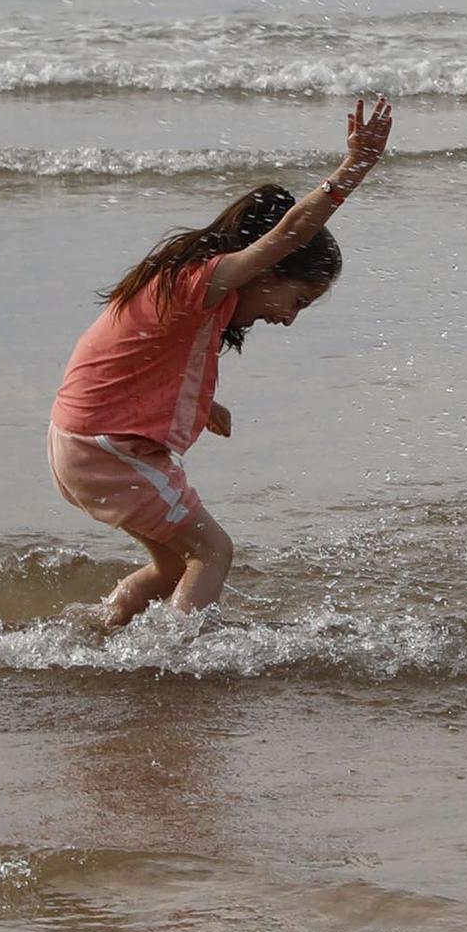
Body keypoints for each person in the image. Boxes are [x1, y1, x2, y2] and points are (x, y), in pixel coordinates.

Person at [49, 98, 394, 628]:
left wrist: (201, 403)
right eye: (297, 300)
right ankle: (175, 657)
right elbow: (293, 232)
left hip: (79, 443)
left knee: (170, 566)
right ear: (266, 268)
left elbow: (133, 363)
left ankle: (93, 631)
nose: (289, 319)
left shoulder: (185, 293)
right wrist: (354, 168)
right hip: (108, 450)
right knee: (213, 553)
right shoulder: (200, 283)